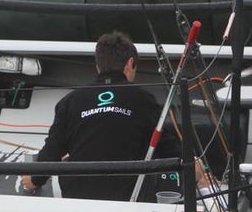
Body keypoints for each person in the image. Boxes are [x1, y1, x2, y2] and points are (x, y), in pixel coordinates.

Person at [20, 31, 208, 201]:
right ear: (130, 64)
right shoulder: (143, 100)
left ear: (98, 66)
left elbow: (53, 149)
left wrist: (34, 179)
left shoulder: (70, 101)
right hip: (129, 197)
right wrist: (195, 167)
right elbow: (167, 146)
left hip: (79, 197)